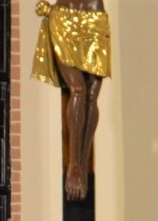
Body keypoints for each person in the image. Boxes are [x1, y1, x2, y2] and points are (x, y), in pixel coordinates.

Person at [32, 0, 109, 200]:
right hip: (65, 17)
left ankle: (81, 166)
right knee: (78, 89)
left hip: (95, 17)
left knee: (92, 96)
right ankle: (74, 167)